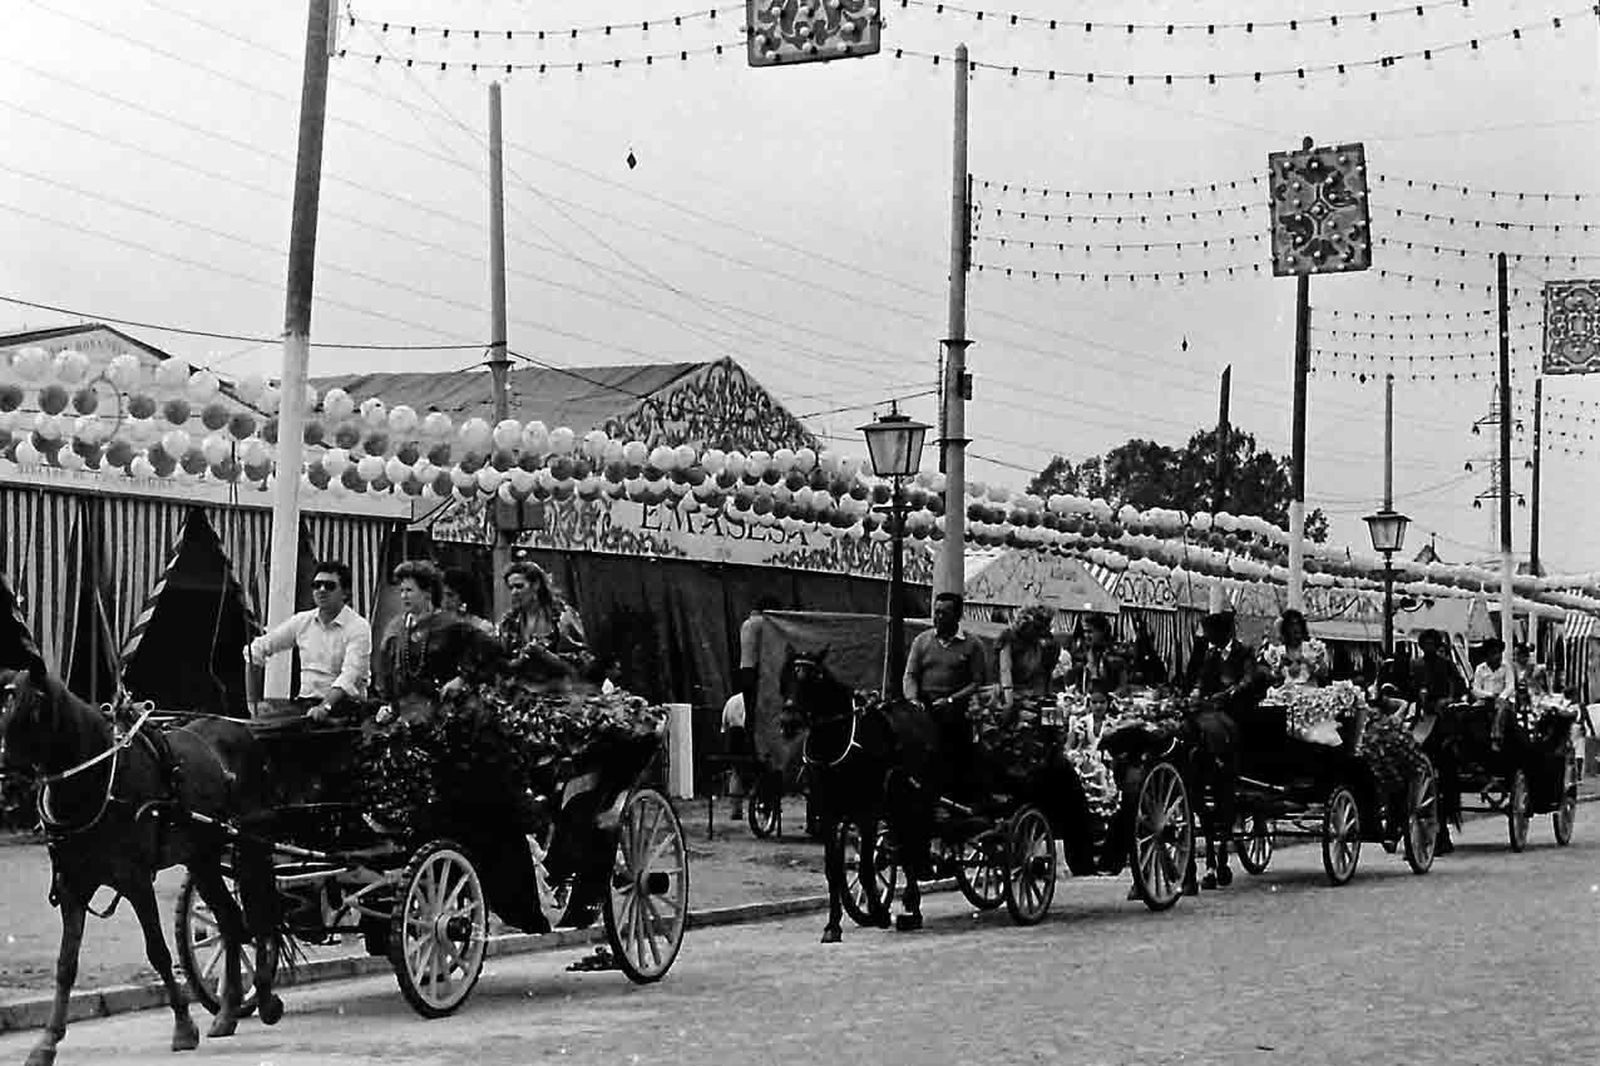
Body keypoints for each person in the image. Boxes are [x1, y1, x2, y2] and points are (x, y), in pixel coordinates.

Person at [1182, 610, 1262, 888]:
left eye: (1214, 634)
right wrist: (1197, 694)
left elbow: (1248, 680)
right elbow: (1200, 678)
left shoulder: (1244, 652)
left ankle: (1219, 857)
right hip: (1212, 709)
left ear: (1226, 632)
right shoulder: (1210, 655)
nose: (1211, 639)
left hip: (1239, 710)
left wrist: (1227, 695)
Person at [244, 560, 371, 722]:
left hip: (344, 709)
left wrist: (325, 706)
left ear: (345, 593)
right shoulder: (302, 621)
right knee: (258, 729)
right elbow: (256, 649)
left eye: (329, 586)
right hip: (305, 706)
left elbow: (350, 676)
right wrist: (253, 701)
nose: (321, 590)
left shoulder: (358, 627)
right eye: (317, 585)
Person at [374, 561, 500, 708]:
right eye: (401, 591)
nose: (403, 596)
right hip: (402, 710)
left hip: (443, 710)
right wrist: (387, 704)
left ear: (427, 593)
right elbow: (385, 672)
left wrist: (463, 679)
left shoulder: (450, 624)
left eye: (409, 590)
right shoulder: (395, 627)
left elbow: (491, 650)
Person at [903, 592, 990, 798]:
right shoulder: (922, 641)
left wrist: (951, 700)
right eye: (936, 612)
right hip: (923, 707)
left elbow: (978, 682)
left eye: (944, 613)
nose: (938, 618)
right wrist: (913, 700)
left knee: (951, 749)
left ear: (957, 616)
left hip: (956, 710)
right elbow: (911, 675)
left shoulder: (973, 645)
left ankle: (950, 796)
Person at [1412, 629, 1466, 854]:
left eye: (1433, 643)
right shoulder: (1416, 665)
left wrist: (1448, 700)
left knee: (1444, 774)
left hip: (1442, 719)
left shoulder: (1446, 665)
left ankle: (1442, 832)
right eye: (1426, 643)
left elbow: (1461, 686)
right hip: (1421, 716)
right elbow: (1409, 687)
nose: (1430, 647)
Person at [499, 561, 590, 677]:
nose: (514, 593)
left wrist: (543, 655)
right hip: (521, 689)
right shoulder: (509, 622)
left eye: (519, 586)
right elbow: (502, 662)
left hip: (561, 688)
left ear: (536, 585)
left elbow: (581, 664)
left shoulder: (562, 616)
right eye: (510, 588)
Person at [995, 604, 1061, 705]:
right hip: (1009, 693)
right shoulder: (1009, 639)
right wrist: (1009, 701)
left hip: (1031, 694)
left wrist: (1041, 697)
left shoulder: (1043, 644)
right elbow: (1005, 671)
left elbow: (1044, 673)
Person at [1471, 638, 1515, 749]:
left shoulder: (1506, 667)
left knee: (1500, 710)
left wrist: (1501, 696)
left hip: (1502, 699)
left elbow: (1510, 686)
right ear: (1487, 655)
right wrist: (1489, 695)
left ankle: (1496, 738)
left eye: (1499, 652)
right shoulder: (1480, 669)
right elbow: (1476, 688)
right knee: (1470, 711)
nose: (1498, 656)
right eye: (1494, 653)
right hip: (1486, 698)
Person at [441, 567, 498, 637]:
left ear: (463, 597)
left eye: (450, 595)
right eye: (444, 595)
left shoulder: (482, 627)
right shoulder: (438, 624)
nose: (446, 600)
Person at [721, 689, 751, 820]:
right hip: (747, 741)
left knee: (735, 772)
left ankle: (736, 809)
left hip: (733, 741)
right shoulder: (752, 701)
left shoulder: (732, 701)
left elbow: (724, 725)